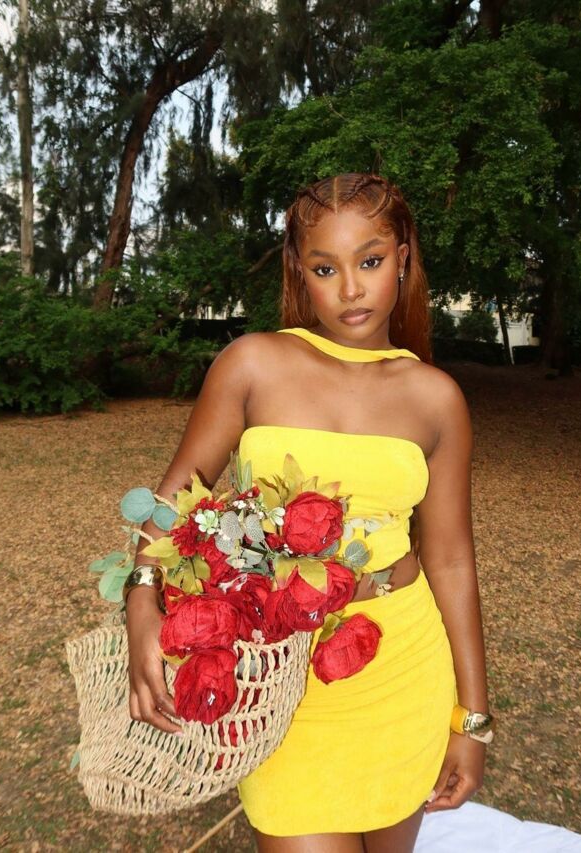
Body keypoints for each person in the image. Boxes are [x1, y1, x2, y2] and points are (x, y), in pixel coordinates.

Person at [124, 172, 493, 852]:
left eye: (370, 261)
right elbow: (176, 496)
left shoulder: (436, 398)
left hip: (402, 671)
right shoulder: (252, 364)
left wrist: (472, 718)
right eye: (326, 268)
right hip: (278, 678)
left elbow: (449, 560)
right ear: (299, 270)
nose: (351, 289)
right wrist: (141, 599)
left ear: (402, 257)